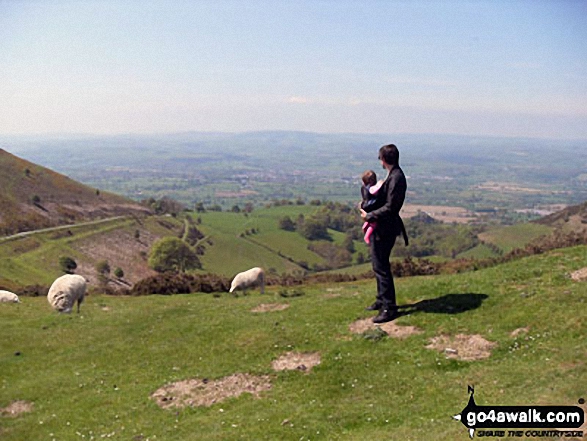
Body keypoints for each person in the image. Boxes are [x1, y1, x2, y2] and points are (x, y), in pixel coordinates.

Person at [360, 144, 408, 323]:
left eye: (380, 157)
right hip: (383, 226)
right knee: (378, 265)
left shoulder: (396, 178)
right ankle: (382, 300)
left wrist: (369, 215)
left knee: (381, 267)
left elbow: (391, 207)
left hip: (385, 228)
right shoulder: (394, 175)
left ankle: (389, 307)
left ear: (384, 159)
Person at [360, 170, 384, 244]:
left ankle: (365, 225)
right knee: (373, 224)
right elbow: (374, 192)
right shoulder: (371, 188)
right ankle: (367, 237)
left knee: (369, 219)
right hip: (371, 207)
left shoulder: (363, 188)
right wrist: (381, 184)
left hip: (366, 207)